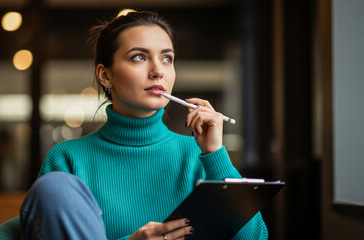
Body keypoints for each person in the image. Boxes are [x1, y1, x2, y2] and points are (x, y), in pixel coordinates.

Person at [20, 10, 268, 240]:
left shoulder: (197, 157)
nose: (158, 71)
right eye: (139, 57)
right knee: (54, 188)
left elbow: (256, 237)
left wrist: (216, 155)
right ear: (105, 75)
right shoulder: (68, 158)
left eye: (167, 58)